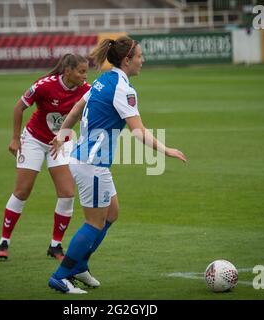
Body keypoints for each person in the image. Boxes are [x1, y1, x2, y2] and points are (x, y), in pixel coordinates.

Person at [47, 36, 187, 294]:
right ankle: (61, 275)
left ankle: (80, 266)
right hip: (92, 163)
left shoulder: (104, 79)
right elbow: (138, 131)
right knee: (94, 223)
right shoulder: (123, 88)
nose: (142, 61)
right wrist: (167, 150)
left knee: (111, 213)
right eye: (140, 57)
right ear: (127, 60)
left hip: (86, 159)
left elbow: (78, 107)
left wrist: (62, 133)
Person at [0, 54, 90, 261]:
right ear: (68, 71)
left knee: (67, 193)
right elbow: (18, 107)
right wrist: (14, 139)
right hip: (34, 141)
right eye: (81, 71)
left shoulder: (86, 91)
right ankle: (4, 241)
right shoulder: (44, 86)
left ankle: (55, 246)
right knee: (22, 191)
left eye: (86, 71)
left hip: (62, 142)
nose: (85, 76)